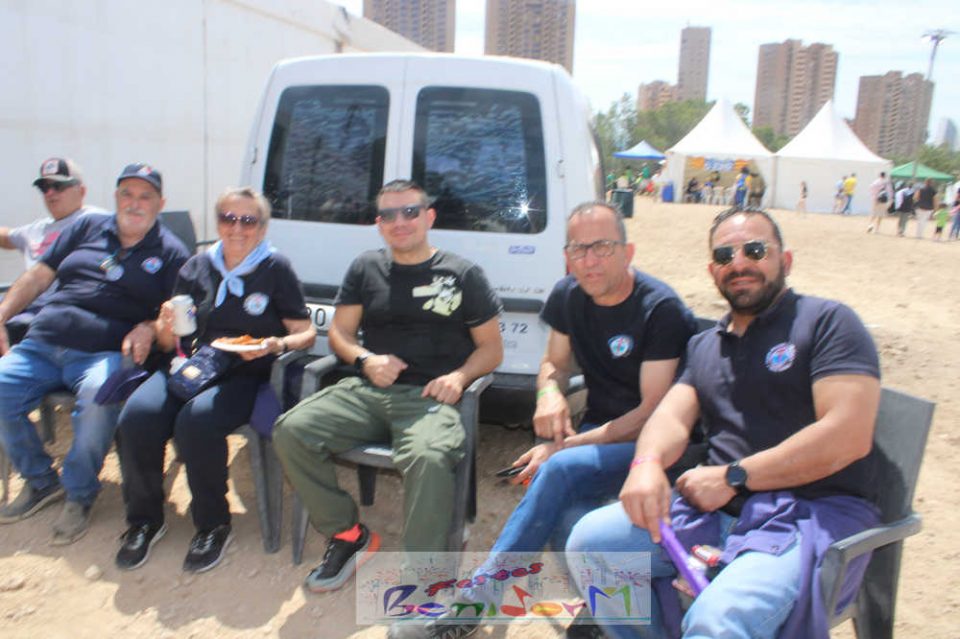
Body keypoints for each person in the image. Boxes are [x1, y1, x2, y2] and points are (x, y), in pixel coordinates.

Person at [566, 207, 882, 639]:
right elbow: (670, 417)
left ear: (786, 260)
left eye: (755, 250)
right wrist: (646, 465)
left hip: (808, 516)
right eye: (724, 255)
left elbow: (848, 434)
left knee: (718, 619)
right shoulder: (705, 346)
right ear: (713, 271)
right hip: (717, 512)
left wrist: (735, 476)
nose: (739, 263)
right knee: (591, 545)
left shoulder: (827, 323)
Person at [401, 202, 697, 639]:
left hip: (660, 448)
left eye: (602, 247)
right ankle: (606, 612)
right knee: (567, 516)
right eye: (578, 249)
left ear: (628, 251)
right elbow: (553, 364)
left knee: (557, 470)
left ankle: (474, 603)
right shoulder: (568, 294)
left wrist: (562, 446)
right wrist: (548, 393)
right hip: (602, 435)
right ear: (566, 256)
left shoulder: (660, 309)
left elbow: (650, 415)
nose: (589, 261)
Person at [272, 179, 503, 592]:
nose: (400, 221)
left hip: (430, 399)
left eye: (410, 211)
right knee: (292, 431)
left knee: (428, 456)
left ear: (429, 217)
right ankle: (348, 535)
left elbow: (491, 349)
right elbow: (340, 334)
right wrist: (366, 359)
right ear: (379, 224)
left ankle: (423, 582)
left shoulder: (462, 274)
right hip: (368, 392)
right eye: (389, 215)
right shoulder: (366, 268)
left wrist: (459, 377)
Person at [113, 187, 316, 573]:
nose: (237, 228)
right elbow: (169, 341)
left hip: (243, 372)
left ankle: (212, 524)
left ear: (262, 227)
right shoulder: (196, 266)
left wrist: (276, 344)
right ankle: (144, 521)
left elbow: (305, 333)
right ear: (218, 222)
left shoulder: (275, 268)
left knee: (197, 421)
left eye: (248, 220)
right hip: (189, 365)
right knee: (137, 417)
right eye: (228, 218)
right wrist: (164, 326)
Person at [0, 163, 190, 544]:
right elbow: (39, 276)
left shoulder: (171, 252)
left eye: (145, 196)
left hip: (103, 352)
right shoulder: (87, 227)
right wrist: (2, 314)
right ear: (115, 197)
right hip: (43, 341)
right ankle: (41, 480)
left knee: (99, 397)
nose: (134, 203)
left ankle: (79, 493)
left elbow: (174, 315)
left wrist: (147, 326)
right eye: (127, 194)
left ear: (160, 203)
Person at [0, 158, 103, 343]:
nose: (50, 193)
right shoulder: (37, 228)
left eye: (58, 185)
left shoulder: (97, 222)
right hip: (24, 308)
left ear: (81, 191)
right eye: (44, 187)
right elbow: (7, 237)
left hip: (64, 316)